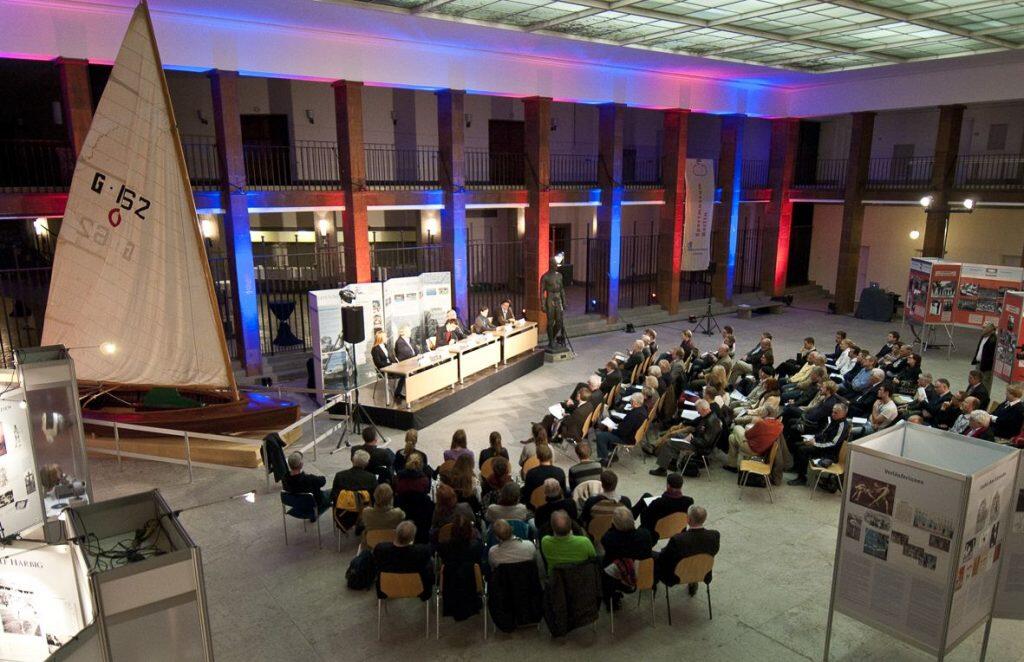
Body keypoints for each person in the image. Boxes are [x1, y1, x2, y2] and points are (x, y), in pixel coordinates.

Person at [654, 505, 720, 594]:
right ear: (704, 519)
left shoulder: (678, 539)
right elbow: (714, 551)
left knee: (653, 556)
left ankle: (653, 581)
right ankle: (693, 580)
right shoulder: (715, 535)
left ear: (688, 520)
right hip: (702, 571)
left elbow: (664, 557)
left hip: (677, 576)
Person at [600, 506, 654, 609]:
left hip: (617, 577)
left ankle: (610, 599)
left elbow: (605, 540)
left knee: (599, 561)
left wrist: (613, 527)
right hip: (642, 575)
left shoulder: (609, 539)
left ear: (614, 524)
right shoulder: (645, 534)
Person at [650, 399, 721, 477]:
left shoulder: (711, 422)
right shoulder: (708, 415)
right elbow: (697, 427)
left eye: (699, 411)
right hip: (696, 440)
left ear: (704, 409)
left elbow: (705, 443)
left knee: (669, 443)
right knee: (675, 435)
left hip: (699, 447)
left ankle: (662, 469)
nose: (698, 413)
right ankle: (671, 460)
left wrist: (691, 439)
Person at [788, 403, 851, 486]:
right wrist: (813, 438)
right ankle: (797, 468)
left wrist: (815, 444)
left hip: (829, 452)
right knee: (797, 444)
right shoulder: (834, 420)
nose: (833, 414)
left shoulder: (842, 426)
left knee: (802, 450)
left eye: (836, 413)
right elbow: (823, 433)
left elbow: (833, 444)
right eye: (832, 412)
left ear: (843, 414)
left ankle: (802, 478)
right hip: (822, 445)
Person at [437, 513, 484, 621]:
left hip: (449, 585)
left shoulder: (444, 547)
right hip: (473, 584)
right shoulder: (477, 546)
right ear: (470, 530)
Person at [373, 521, 433, 601]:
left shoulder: (380, 549)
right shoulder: (422, 551)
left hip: (385, 589)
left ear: (395, 533)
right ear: (412, 538)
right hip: (418, 589)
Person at [724, 404, 783, 472]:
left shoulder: (762, 423)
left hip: (753, 449)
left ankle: (731, 463)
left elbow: (747, 435)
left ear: (765, 413)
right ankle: (731, 466)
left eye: (762, 411)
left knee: (737, 428)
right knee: (732, 438)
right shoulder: (779, 425)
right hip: (764, 450)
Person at [595, 392, 648, 464]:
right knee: (607, 430)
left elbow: (622, 433)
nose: (630, 402)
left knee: (601, 436)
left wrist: (612, 430)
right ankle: (612, 453)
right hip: (633, 435)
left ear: (635, 403)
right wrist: (618, 425)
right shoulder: (643, 410)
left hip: (627, 438)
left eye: (631, 401)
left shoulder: (634, 415)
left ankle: (605, 460)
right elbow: (627, 427)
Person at [540, 510, 596, 576]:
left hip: (557, 579)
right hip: (582, 578)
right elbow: (594, 558)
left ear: (552, 527)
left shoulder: (545, 541)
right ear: (571, 524)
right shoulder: (584, 541)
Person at [330, 450, 378, 517]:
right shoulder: (371, 477)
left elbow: (334, 496)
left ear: (352, 460)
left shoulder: (340, 475)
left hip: (343, 515)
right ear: (366, 464)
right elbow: (375, 497)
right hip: (364, 515)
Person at [972, 322, 997, 391]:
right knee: (976, 382)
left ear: (989, 329)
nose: (982, 329)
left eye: (984, 328)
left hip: (986, 367)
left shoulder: (994, 339)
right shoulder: (983, 336)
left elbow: (992, 355)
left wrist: (987, 364)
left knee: (985, 384)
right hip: (979, 363)